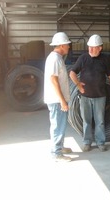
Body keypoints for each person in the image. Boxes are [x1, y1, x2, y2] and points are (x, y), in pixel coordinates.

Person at [69, 34, 110, 152]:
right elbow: (72, 73)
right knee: (86, 121)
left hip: (100, 96)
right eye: (89, 47)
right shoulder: (83, 58)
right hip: (85, 96)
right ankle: (87, 142)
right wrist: (78, 85)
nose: (90, 49)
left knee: (100, 121)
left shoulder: (105, 59)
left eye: (93, 47)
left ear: (100, 48)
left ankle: (100, 142)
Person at [44, 32, 73, 162]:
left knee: (60, 125)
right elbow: (54, 79)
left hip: (58, 100)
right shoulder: (55, 58)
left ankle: (60, 147)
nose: (69, 47)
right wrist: (62, 100)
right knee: (57, 125)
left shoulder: (57, 57)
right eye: (67, 44)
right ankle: (56, 153)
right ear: (61, 45)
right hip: (56, 100)